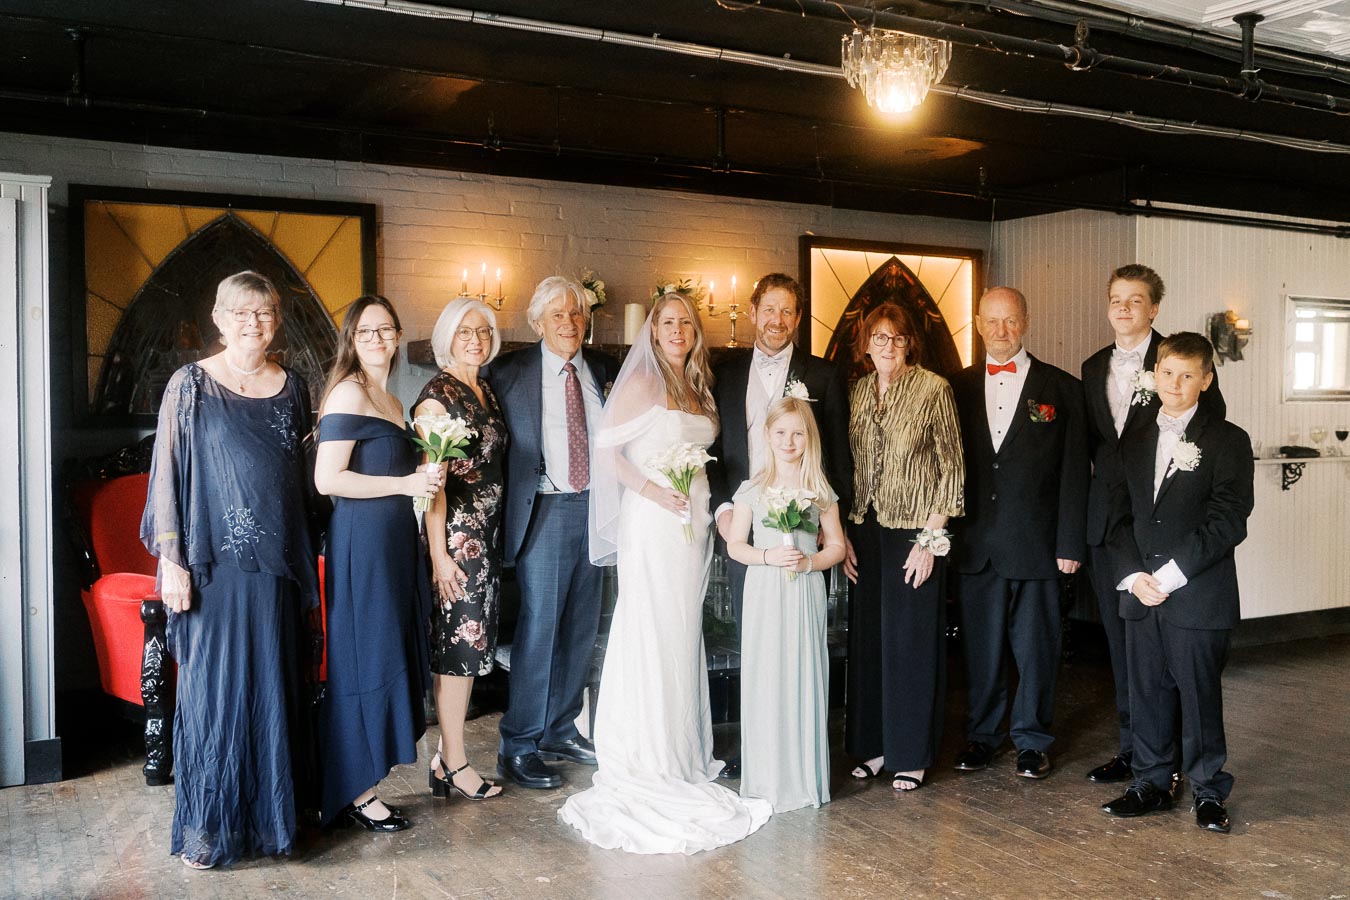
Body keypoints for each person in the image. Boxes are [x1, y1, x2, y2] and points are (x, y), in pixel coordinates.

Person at [558, 292, 772, 854]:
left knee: (681, 635)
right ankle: (649, 754)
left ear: (695, 332)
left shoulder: (698, 384)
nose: (677, 330)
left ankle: (681, 750)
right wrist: (655, 491)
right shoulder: (642, 384)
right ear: (653, 333)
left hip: (693, 527)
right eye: (667, 323)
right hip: (654, 523)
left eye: (685, 323)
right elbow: (607, 455)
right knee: (650, 630)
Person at [140, 270, 320, 869]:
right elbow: (165, 474)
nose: (254, 322)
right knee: (215, 697)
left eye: (265, 312)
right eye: (241, 312)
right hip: (214, 569)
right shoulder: (188, 384)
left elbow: (303, 481)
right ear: (218, 318)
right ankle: (210, 831)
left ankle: (274, 825)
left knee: (274, 689)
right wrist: (172, 560)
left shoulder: (294, 387)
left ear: (276, 320)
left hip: (276, 569)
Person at [1080, 264, 1226, 790]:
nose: (1123, 308)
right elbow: (1093, 450)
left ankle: (1187, 768)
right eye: (1116, 299)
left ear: (1154, 308)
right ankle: (1136, 754)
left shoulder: (1181, 360)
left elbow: (1210, 438)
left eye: (1135, 300)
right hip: (1115, 528)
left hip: (1174, 533)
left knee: (1180, 663)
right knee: (1129, 652)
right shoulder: (1093, 365)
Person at [1101, 332, 1253, 834]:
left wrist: (1168, 575)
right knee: (1145, 692)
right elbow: (1117, 516)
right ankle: (1150, 783)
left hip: (1196, 594)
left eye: (1188, 375)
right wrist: (1133, 575)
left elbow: (1229, 521)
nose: (1175, 383)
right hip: (1140, 593)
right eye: (1167, 373)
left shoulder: (1228, 440)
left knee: (1199, 696)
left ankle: (1209, 791)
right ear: (1155, 374)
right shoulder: (1135, 438)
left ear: (1206, 380)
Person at [709, 272, 852, 780]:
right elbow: (712, 449)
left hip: (804, 523)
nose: (777, 320)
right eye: (769, 309)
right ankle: (760, 748)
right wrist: (724, 509)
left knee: (802, 644)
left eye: (787, 311)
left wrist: (830, 525)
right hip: (746, 520)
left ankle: (799, 747)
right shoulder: (722, 372)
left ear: (797, 318)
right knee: (756, 641)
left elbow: (838, 452)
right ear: (752, 313)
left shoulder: (824, 374)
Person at [486, 276, 621, 790]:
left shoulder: (603, 369)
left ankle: (562, 729)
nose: (570, 323)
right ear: (537, 321)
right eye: (559, 315)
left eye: (578, 314)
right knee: (539, 629)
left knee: (582, 628)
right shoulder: (507, 372)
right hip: (543, 509)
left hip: (596, 508)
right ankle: (518, 743)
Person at [949, 286, 1089, 780]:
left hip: (1038, 545)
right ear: (978, 323)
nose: (1001, 331)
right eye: (992, 321)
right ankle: (982, 736)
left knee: (1037, 648)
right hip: (974, 545)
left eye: (1010, 321)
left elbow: (1076, 472)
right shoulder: (954, 387)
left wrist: (1070, 543)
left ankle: (1032, 739)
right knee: (981, 648)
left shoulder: (1062, 388)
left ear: (1025, 321)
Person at [313, 295, 439, 831]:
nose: (379, 340)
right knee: (365, 657)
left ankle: (366, 779)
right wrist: (406, 483)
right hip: (362, 544)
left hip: (395, 542)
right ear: (351, 340)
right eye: (366, 332)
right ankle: (357, 789)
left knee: (388, 651)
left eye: (386, 330)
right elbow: (327, 480)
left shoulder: (390, 399)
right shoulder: (348, 391)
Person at [843, 303, 965, 792]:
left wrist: (930, 542)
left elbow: (952, 471)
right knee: (870, 641)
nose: (886, 346)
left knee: (910, 644)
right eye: (878, 337)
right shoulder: (856, 391)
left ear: (909, 342)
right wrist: (843, 535)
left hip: (915, 532)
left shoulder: (934, 389)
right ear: (866, 342)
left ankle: (910, 753)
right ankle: (874, 747)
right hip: (865, 531)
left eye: (895, 338)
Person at [725, 397, 845, 812]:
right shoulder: (752, 489)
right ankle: (766, 778)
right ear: (768, 436)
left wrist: (811, 561)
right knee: (767, 674)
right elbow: (736, 545)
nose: (789, 441)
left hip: (805, 589)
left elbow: (838, 547)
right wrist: (767, 557)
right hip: (764, 589)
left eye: (797, 433)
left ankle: (802, 779)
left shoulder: (819, 489)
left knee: (802, 671)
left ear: (808, 437)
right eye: (781, 433)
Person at [413, 297, 507, 802]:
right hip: (457, 540)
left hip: (485, 542)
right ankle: (454, 762)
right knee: (456, 653)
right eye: (465, 331)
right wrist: (439, 556)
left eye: (484, 331)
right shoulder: (436, 398)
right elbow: (434, 485)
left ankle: (447, 758)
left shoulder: (483, 388)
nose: (476, 339)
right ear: (446, 336)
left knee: (468, 652)